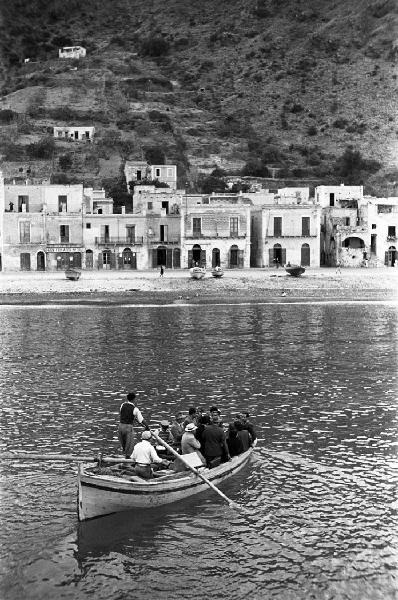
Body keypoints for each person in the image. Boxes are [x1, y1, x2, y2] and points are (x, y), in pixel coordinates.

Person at [118, 392, 149, 458]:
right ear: (134, 399)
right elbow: (142, 420)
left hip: (120, 426)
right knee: (129, 446)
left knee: (123, 444)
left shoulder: (122, 405)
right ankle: (127, 460)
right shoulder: (135, 409)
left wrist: (134, 418)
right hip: (128, 427)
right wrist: (147, 427)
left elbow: (123, 414)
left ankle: (124, 456)